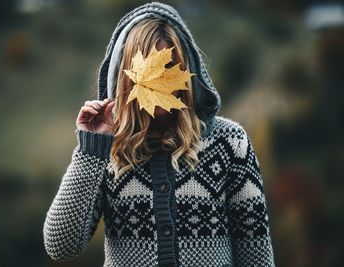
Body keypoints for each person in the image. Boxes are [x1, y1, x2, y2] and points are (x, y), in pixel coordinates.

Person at [43, 2, 275, 267]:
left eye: (169, 69)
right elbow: (60, 245)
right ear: (126, 76)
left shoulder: (230, 143)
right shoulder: (105, 151)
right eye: (149, 74)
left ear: (186, 72)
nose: (159, 82)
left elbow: (257, 257)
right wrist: (91, 149)